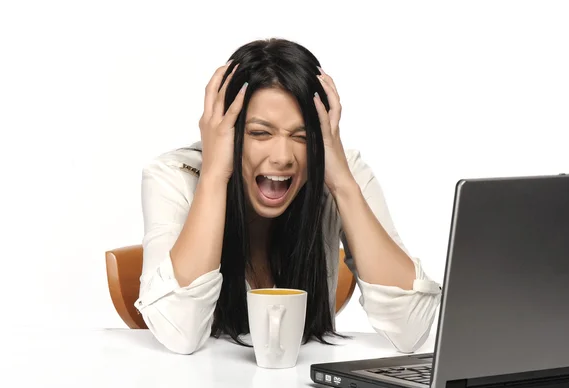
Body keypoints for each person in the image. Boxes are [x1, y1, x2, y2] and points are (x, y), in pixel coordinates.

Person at [135, 38, 442, 355]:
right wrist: (214, 175)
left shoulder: (341, 172)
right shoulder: (174, 176)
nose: (283, 157)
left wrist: (342, 185)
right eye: (259, 133)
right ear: (225, 130)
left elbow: (411, 330)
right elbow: (179, 333)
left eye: (302, 136)